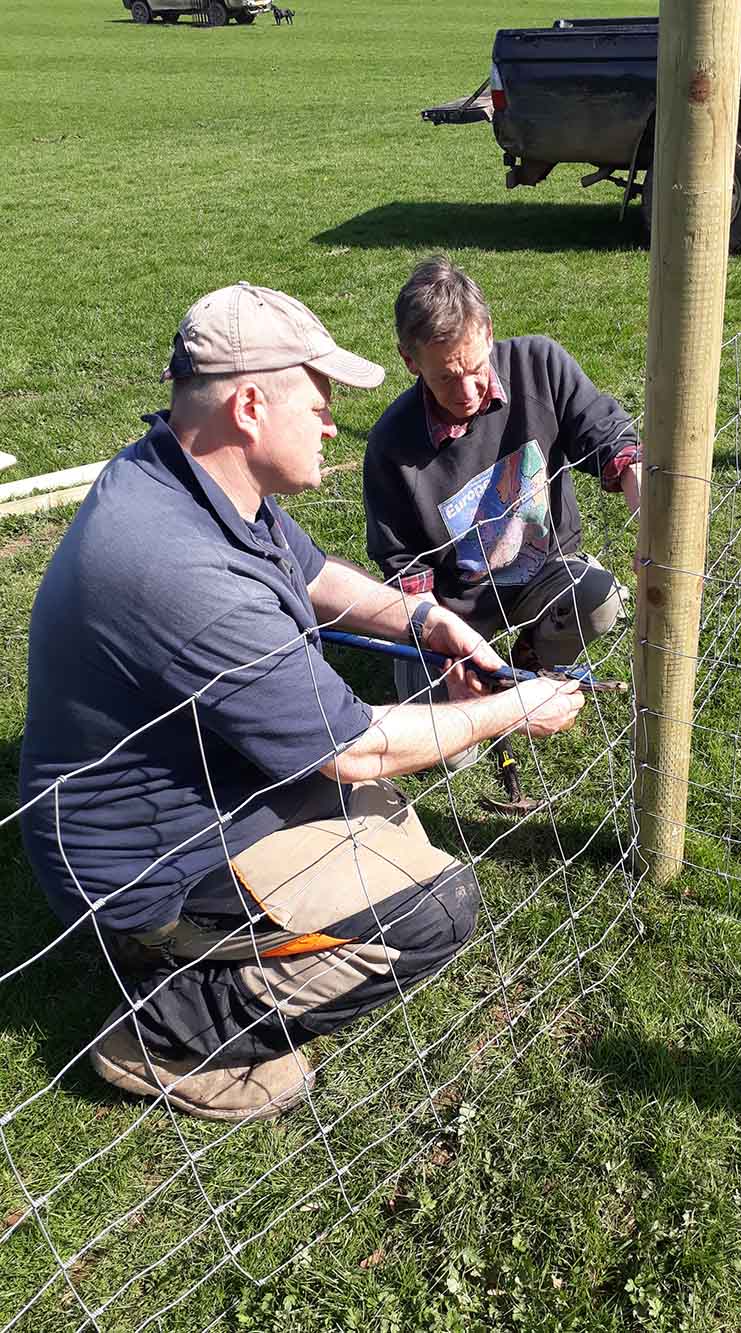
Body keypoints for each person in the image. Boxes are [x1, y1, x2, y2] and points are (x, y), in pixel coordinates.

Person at [18, 282, 584, 1123]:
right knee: (433, 907)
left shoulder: (190, 475)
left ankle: (231, 946)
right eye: (317, 401)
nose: (330, 422)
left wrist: (427, 620)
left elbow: (315, 578)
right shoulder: (181, 570)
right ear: (250, 405)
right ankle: (166, 1023)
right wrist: (518, 707)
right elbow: (357, 747)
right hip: (146, 869)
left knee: (392, 830)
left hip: (198, 790)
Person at [364, 255, 642, 728]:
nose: (468, 391)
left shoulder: (540, 365)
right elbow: (405, 571)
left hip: (544, 572)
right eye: (446, 377)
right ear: (410, 361)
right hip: (457, 608)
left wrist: (650, 522)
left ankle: (528, 661)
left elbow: (613, 442)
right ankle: (482, 681)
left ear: (488, 332)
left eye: (474, 367)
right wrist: (449, 654)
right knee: (454, 753)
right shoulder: (392, 445)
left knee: (601, 599)